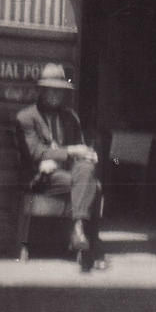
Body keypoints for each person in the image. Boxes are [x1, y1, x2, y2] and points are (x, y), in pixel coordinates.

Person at [15, 63, 105, 271]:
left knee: (86, 170)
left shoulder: (70, 117)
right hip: (41, 176)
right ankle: (88, 246)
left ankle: (78, 230)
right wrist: (72, 151)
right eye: (50, 90)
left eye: (59, 91)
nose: (55, 95)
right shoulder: (26, 117)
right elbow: (36, 153)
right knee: (94, 186)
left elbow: (80, 151)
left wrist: (87, 155)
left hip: (65, 173)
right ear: (41, 91)